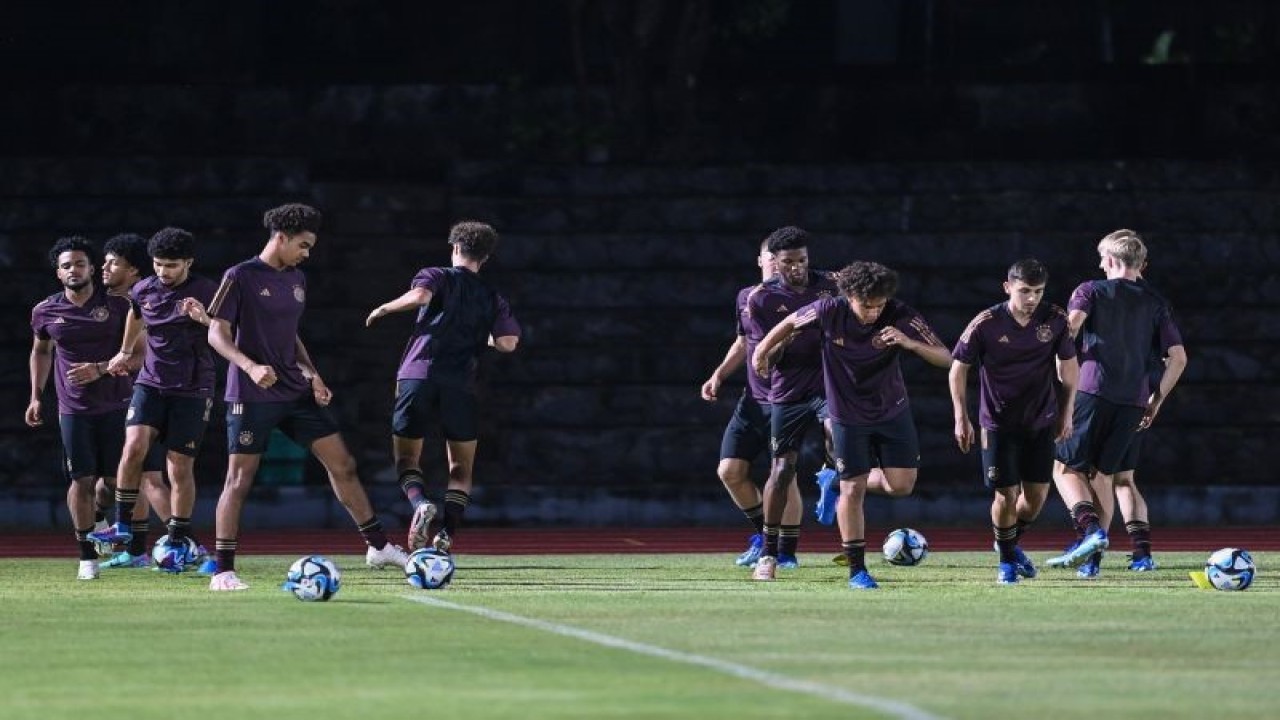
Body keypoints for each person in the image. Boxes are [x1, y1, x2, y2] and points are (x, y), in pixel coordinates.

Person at [205, 203, 409, 591]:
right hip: (251, 393)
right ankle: (223, 571)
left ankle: (378, 546)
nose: (307, 253)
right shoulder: (240, 275)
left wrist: (313, 374)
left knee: (343, 464)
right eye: (303, 245)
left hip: (294, 391)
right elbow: (216, 333)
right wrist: (250, 366)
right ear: (280, 238)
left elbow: (290, 334)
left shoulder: (297, 278)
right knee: (239, 479)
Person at [754, 261, 951, 589]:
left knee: (901, 486)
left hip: (891, 411)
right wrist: (761, 350)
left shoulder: (900, 313)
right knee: (853, 488)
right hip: (846, 415)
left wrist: (910, 343)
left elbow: (948, 357)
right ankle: (857, 570)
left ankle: (833, 480)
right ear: (849, 297)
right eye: (866, 306)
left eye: (879, 306)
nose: (874, 312)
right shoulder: (829, 310)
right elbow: (789, 322)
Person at [365, 220, 520, 554]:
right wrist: (481, 335)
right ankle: (447, 532)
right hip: (461, 385)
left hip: (417, 376)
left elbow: (420, 296)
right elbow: (508, 343)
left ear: (455, 248)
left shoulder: (436, 275)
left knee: (407, 457)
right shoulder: (492, 297)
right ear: (485, 257)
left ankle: (420, 503)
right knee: (461, 468)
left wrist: (383, 308)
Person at [1047, 230, 1186, 578]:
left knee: (1064, 469)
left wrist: (1057, 369)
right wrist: (1155, 400)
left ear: (1110, 260)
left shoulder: (1090, 290)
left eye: (1101, 259)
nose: (1099, 265)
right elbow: (1179, 358)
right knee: (1107, 477)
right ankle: (1096, 560)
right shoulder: (1156, 302)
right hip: (1134, 401)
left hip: (1092, 391)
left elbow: (1071, 328)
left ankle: (1090, 532)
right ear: (1142, 264)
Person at [91, 228, 219, 573]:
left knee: (178, 466)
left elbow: (230, 332)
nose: (164, 271)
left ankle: (177, 539)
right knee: (133, 447)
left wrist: (204, 319)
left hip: (192, 389)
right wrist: (124, 351)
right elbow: (135, 314)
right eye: (159, 264)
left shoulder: (208, 291)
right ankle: (122, 524)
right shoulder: (143, 289)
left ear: (188, 263)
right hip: (151, 383)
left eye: (171, 265)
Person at [948, 259, 1079, 584]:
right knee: (1005, 495)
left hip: (1040, 420)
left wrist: (1067, 412)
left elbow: (1069, 367)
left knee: (1035, 499)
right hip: (997, 423)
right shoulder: (986, 323)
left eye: (1038, 291)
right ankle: (1007, 561)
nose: (1031, 298)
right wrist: (961, 417)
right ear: (1008, 288)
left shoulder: (1055, 319)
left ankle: (1006, 542)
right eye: (1024, 291)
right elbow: (958, 369)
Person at [27, 237, 135, 580]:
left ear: (92, 268)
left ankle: (99, 514)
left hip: (117, 403)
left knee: (114, 482)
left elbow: (140, 353)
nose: (73, 270)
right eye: (66, 266)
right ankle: (87, 557)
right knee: (81, 478)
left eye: (79, 264)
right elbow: (41, 351)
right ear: (58, 273)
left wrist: (101, 369)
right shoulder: (45, 310)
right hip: (73, 408)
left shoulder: (119, 305)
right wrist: (36, 396)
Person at [699, 237, 804, 568]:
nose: (775, 262)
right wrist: (718, 375)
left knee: (783, 474)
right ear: (760, 261)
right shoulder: (746, 297)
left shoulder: (801, 296)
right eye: (769, 256)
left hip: (788, 397)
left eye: (780, 257)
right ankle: (764, 537)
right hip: (753, 399)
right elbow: (743, 342)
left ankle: (785, 551)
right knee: (729, 470)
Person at [742, 227, 836, 580]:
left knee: (838, 436)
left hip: (827, 384)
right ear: (775, 262)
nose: (797, 267)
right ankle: (769, 554)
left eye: (802, 260)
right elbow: (765, 359)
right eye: (788, 262)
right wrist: (786, 338)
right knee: (781, 471)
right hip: (788, 390)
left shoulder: (832, 283)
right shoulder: (761, 299)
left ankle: (831, 477)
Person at [88, 233, 175, 567]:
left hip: (147, 399)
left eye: (113, 263)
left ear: (134, 270)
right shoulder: (109, 303)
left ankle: (187, 546)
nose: (104, 268)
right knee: (112, 482)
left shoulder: (150, 302)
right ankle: (133, 547)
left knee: (150, 478)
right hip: (111, 404)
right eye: (105, 262)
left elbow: (146, 356)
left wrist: (101, 367)